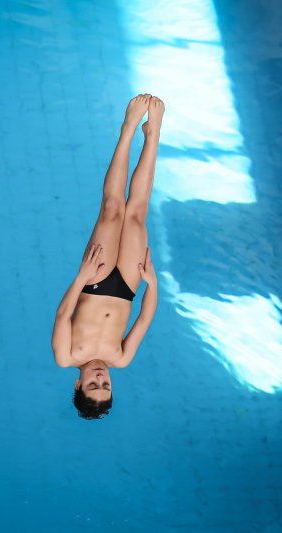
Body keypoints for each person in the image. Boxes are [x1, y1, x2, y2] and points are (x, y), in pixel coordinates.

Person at [51, 94, 164, 419]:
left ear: (78, 384)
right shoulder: (121, 359)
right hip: (128, 285)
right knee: (137, 215)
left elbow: (63, 316)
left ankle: (128, 130)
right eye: (106, 386)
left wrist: (82, 277)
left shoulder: (66, 356)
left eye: (93, 384)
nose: (101, 377)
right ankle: (153, 134)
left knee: (113, 209)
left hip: (94, 281)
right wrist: (152, 284)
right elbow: (144, 320)